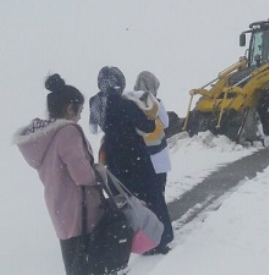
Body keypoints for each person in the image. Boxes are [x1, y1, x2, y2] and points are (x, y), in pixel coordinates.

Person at [12, 74, 118, 274]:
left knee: (75, 266)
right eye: (80, 111)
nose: (79, 117)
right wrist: (99, 171)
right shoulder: (68, 132)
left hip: (60, 210)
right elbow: (82, 175)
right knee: (94, 267)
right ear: (70, 108)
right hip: (82, 213)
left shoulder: (43, 136)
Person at [92, 66, 173, 255]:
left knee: (127, 203)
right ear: (120, 85)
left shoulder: (96, 104)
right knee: (152, 200)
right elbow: (148, 125)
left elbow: (97, 126)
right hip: (135, 157)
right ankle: (158, 240)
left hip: (113, 159)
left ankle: (133, 242)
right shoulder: (126, 104)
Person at [131, 70, 175, 251]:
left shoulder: (130, 103)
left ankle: (149, 236)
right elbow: (165, 123)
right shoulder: (156, 104)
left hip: (142, 159)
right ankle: (158, 237)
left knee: (147, 201)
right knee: (158, 199)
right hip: (159, 159)